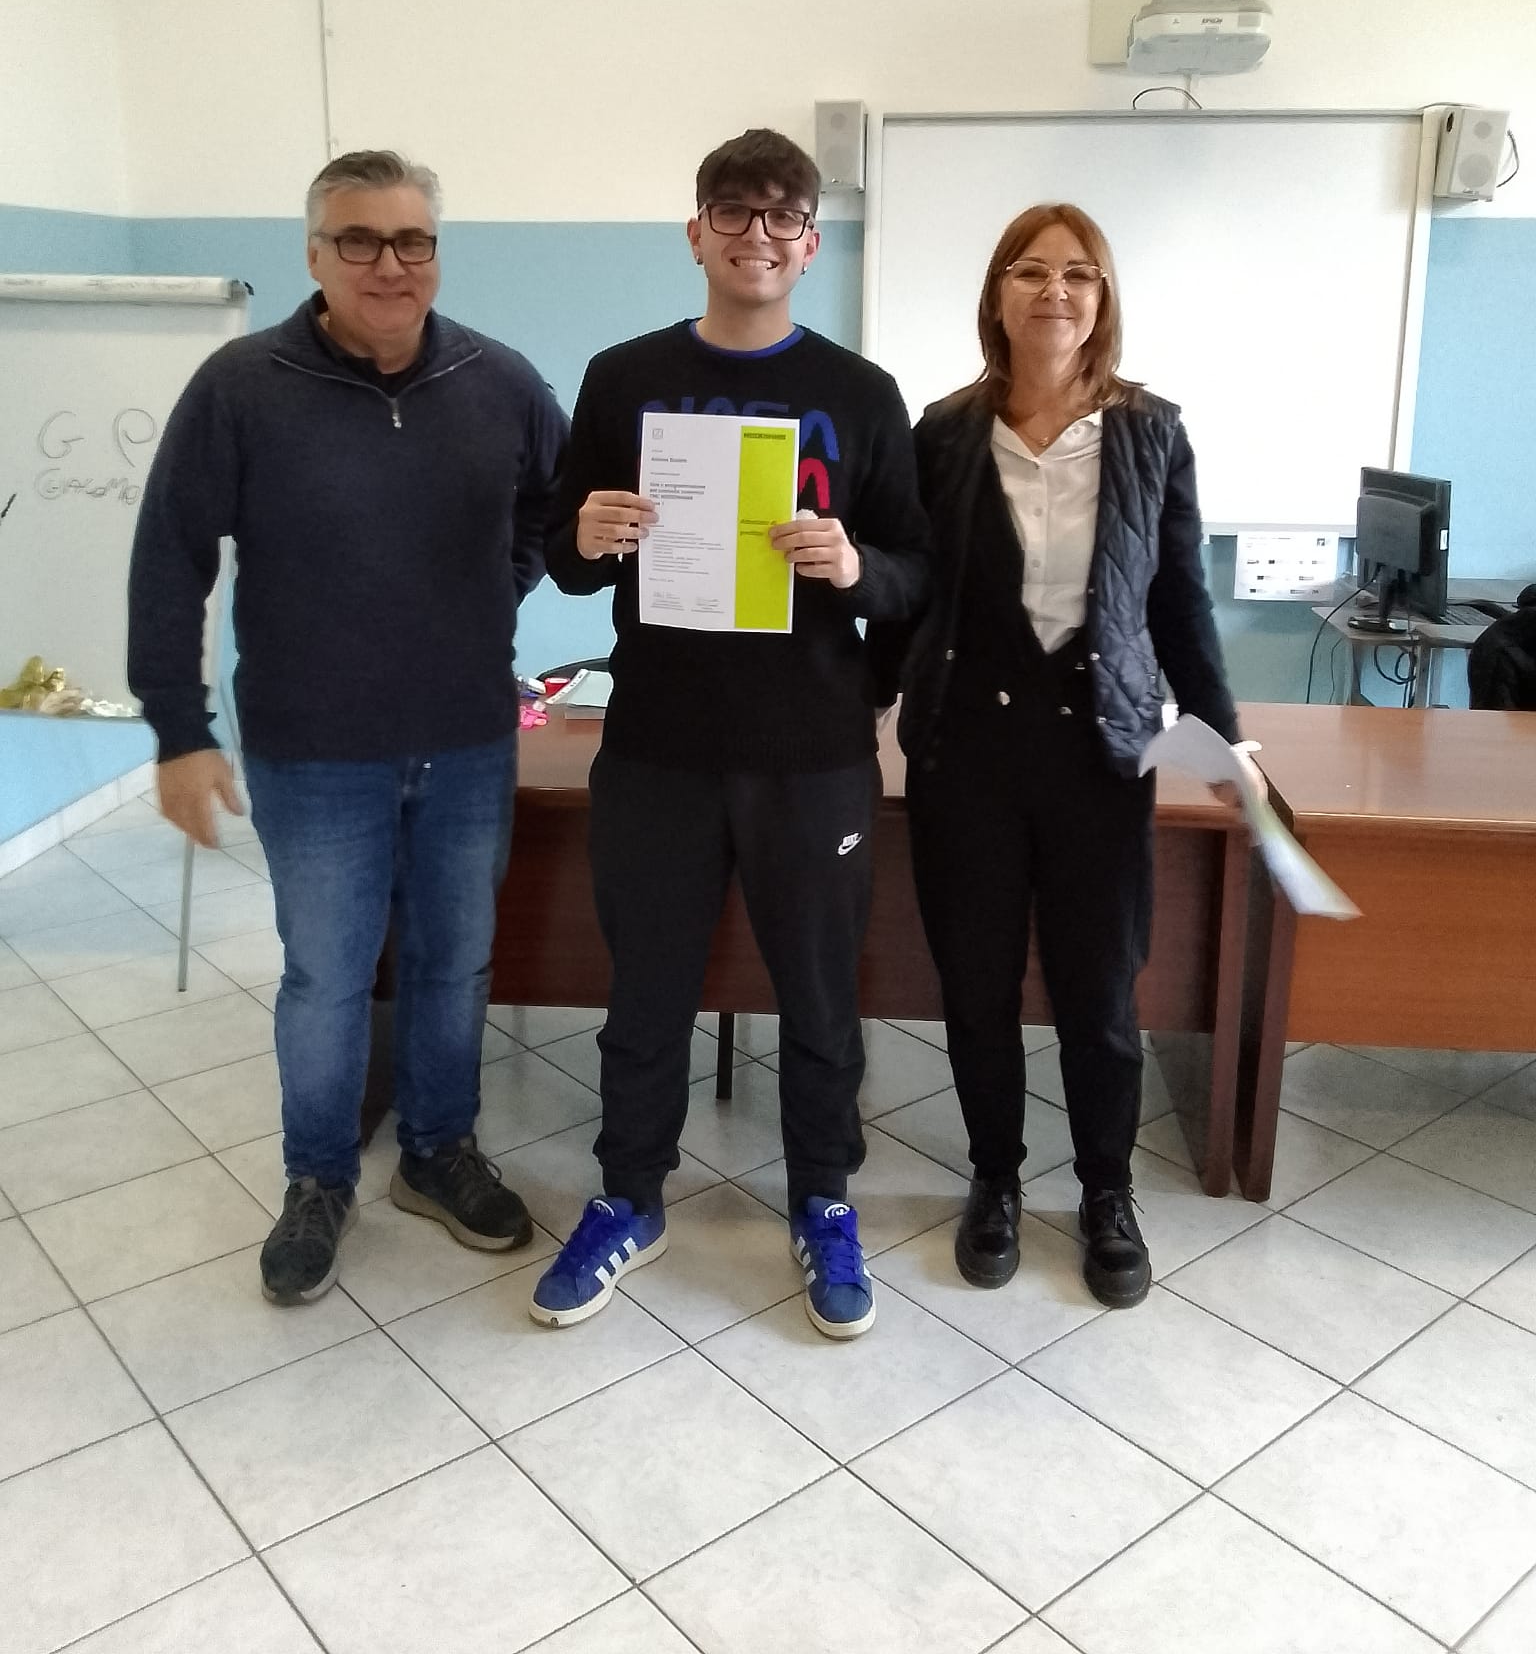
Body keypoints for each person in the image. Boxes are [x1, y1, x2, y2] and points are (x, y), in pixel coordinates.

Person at [128, 149, 569, 1305]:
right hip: (313, 750)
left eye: (412, 239)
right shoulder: (242, 385)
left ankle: (437, 1151)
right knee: (326, 975)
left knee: (453, 960)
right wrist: (178, 728)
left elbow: (556, 503)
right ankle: (319, 1178)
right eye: (360, 239)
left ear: (436, 252)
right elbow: (171, 554)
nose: (389, 263)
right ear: (316, 254)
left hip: (466, 740)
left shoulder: (500, 379)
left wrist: (504, 581)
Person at [528, 128, 929, 1339]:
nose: (758, 232)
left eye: (782, 214)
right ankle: (628, 1195)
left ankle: (823, 1198)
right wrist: (585, 533)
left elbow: (916, 575)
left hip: (812, 753)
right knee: (644, 987)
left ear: (812, 243)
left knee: (820, 994)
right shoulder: (622, 376)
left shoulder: (861, 393)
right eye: (734, 210)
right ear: (695, 231)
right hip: (658, 744)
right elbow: (563, 554)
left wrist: (855, 566)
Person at [874, 202, 1259, 1310]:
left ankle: (1106, 1192)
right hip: (967, 753)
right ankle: (994, 1179)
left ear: (1103, 299)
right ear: (997, 294)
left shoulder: (1151, 433)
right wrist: (855, 701)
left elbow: (1178, 601)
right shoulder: (944, 433)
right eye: (1031, 271)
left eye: (1078, 274)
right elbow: (914, 594)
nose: (1055, 291)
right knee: (977, 983)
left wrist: (1224, 732)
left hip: (1100, 753)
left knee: (1100, 992)